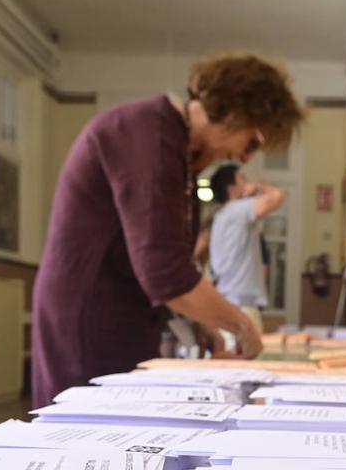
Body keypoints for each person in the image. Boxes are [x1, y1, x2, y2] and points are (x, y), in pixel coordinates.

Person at [30, 54, 304, 406]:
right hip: (89, 319)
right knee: (86, 438)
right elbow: (166, 274)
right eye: (250, 142)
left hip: (124, 316)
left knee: (123, 437)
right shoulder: (149, 135)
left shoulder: (177, 151)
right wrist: (240, 324)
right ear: (233, 113)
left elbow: (166, 259)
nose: (245, 158)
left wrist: (202, 322)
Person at [207, 165, 284, 336]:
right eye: (242, 179)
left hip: (231, 303)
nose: (247, 183)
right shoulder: (237, 210)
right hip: (240, 307)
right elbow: (277, 196)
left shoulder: (223, 215)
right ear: (231, 189)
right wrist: (258, 186)